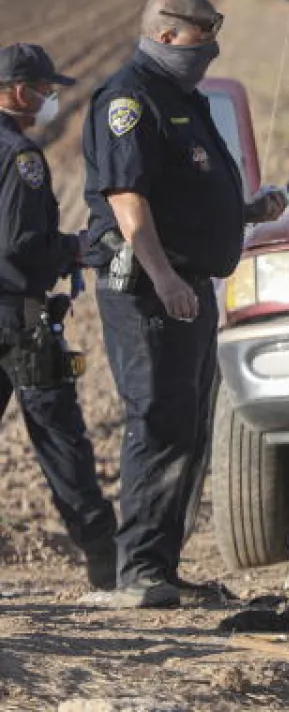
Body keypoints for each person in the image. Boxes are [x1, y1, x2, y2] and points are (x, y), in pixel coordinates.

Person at [81, 0, 288, 608]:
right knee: (159, 423)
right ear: (167, 34)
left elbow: (187, 193)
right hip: (149, 292)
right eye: (203, 33)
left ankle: (161, 570)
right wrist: (166, 279)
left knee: (187, 430)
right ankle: (138, 571)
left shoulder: (183, 100)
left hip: (188, 292)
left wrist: (246, 211)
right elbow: (128, 202)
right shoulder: (131, 99)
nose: (212, 45)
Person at [0, 43, 117, 589]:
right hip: (17, 323)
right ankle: (104, 558)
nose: (49, 100)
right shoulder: (20, 156)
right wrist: (69, 249)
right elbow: (21, 245)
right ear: (19, 91)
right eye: (45, 91)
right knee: (60, 438)